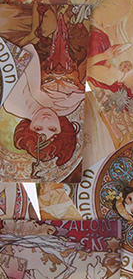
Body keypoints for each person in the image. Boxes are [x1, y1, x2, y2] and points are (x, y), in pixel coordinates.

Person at [3, 14, 83, 170]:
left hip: (23, 33)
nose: (46, 120)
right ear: (62, 127)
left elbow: (14, 54)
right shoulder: (69, 105)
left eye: (38, 128)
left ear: (29, 127)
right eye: (52, 129)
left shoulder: (13, 102)